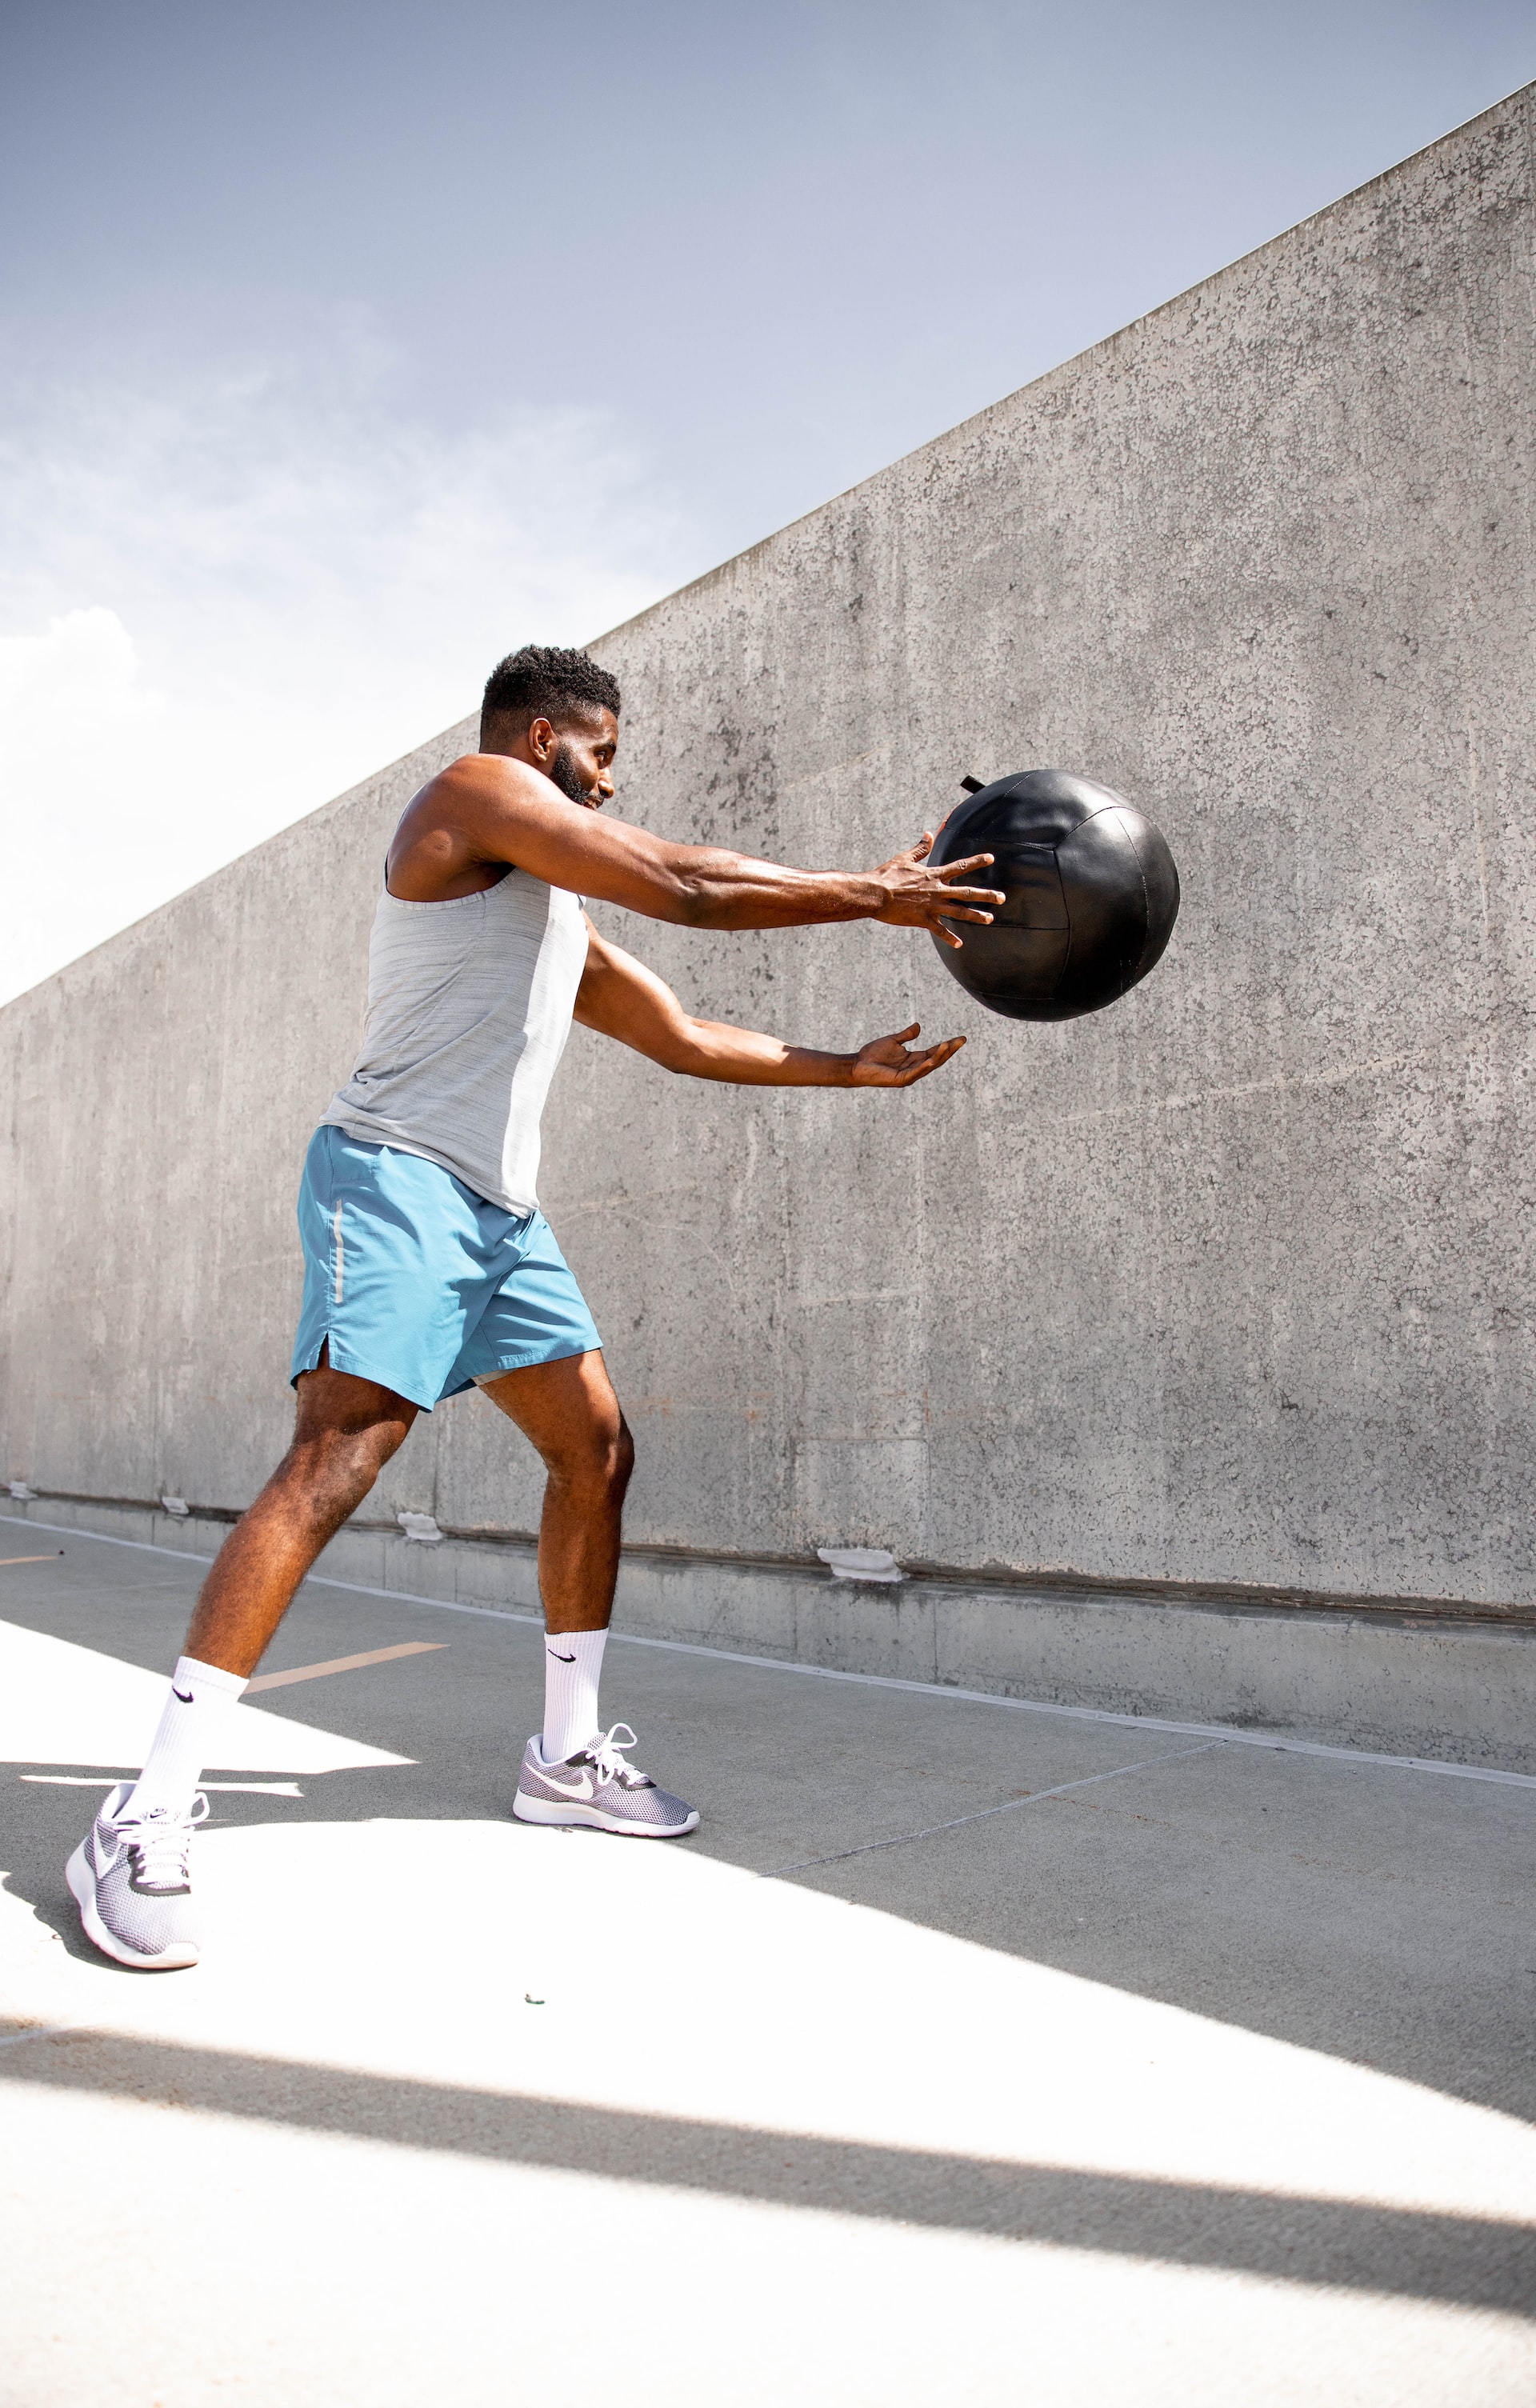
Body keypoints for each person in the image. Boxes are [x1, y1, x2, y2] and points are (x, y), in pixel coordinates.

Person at [66, 645, 1002, 1969]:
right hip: (394, 1175)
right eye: (603, 754)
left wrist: (844, 1069)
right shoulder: (474, 792)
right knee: (340, 1456)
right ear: (544, 736)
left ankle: (563, 1757)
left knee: (595, 1447)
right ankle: (143, 1811)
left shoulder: (555, 912)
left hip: (500, 1214)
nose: (612, 780)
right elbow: (685, 883)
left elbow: (682, 1034)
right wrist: (872, 893)